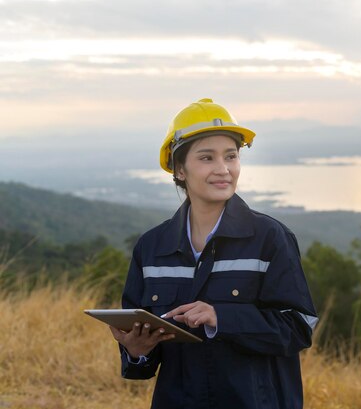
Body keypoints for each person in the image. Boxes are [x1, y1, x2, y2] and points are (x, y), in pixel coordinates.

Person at [109, 98, 318, 409]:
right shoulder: (152, 249)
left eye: (231, 156)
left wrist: (221, 316)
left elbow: (299, 328)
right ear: (180, 169)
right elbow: (143, 364)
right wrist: (137, 350)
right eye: (207, 158)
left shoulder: (269, 238)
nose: (223, 170)